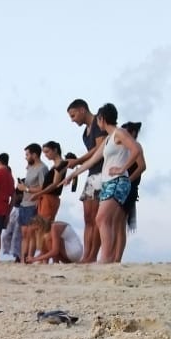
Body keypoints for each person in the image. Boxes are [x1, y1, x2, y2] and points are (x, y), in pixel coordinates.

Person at [64, 103, 144, 264]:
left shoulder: (120, 133)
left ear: (101, 119)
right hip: (108, 182)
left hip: (118, 181)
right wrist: (73, 174)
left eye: (98, 120)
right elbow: (92, 160)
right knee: (107, 221)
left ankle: (105, 258)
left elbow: (136, 149)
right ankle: (108, 258)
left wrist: (122, 168)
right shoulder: (108, 139)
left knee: (101, 219)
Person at [66, 99, 107, 262]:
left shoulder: (99, 123)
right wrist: (77, 164)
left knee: (96, 218)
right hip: (92, 173)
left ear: (82, 110)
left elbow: (100, 149)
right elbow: (92, 155)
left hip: (102, 173)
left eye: (73, 115)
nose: (72, 120)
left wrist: (77, 162)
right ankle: (87, 255)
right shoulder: (85, 133)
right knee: (88, 218)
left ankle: (92, 256)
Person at [115, 122, 146, 262]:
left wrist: (128, 180)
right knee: (115, 223)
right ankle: (113, 255)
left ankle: (117, 258)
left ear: (132, 133)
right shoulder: (124, 148)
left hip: (130, 187)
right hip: (120, 186)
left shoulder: (136, 146)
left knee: (121, 223)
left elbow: (142, 166)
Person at [18, 144, 47, 262]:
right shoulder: (30, 167)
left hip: (33, 204)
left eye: (27, 155)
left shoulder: (42, 168)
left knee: (31, 234)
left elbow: (44, 188)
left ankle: (30, 258)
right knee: (24, 234)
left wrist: (26, 189)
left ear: (34, 155)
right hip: (24, 203)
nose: (25, 157)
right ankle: (22, 260)